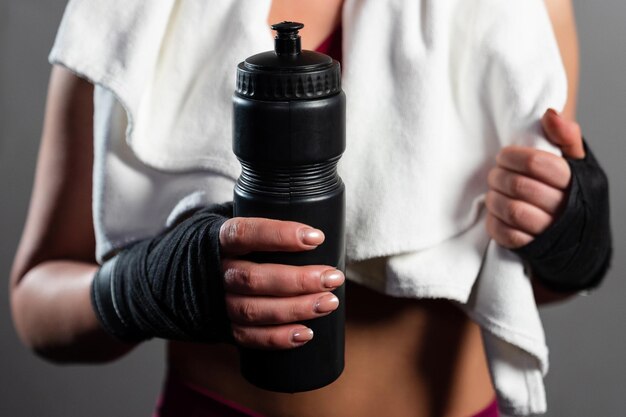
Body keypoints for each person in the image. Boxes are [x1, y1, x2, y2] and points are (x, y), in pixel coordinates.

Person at [9, 1, 610, 416]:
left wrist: (565, 233)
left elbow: (515, 284)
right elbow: (36, 302)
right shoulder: (125, 13)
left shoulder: (517, 10)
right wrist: (151, 286)